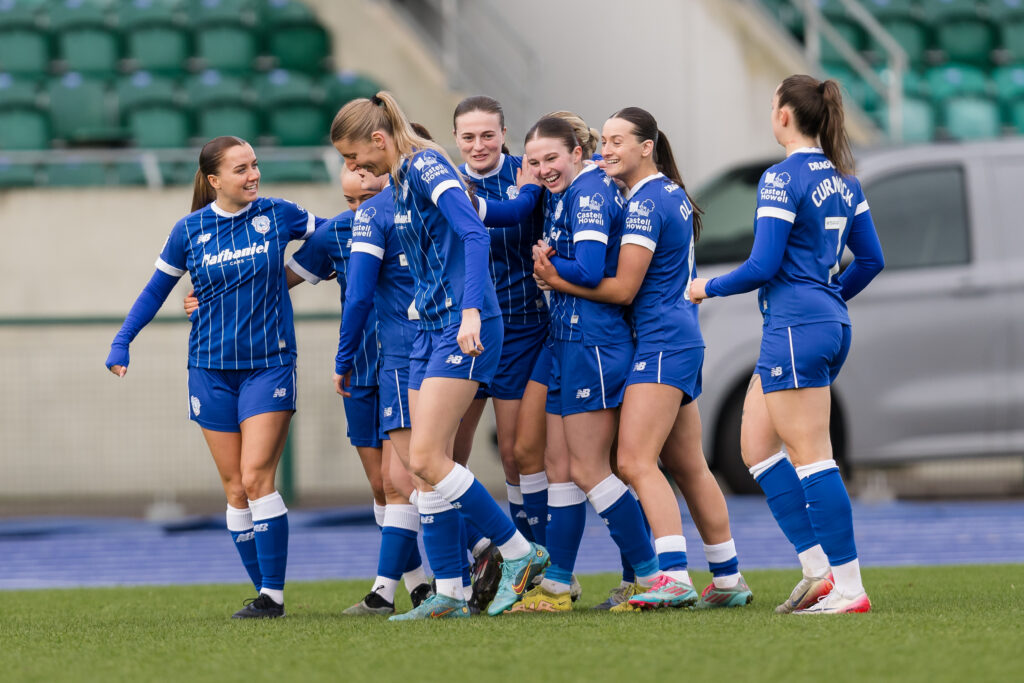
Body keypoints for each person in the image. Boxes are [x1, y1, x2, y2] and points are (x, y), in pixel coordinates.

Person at [329, 91, 549, 619]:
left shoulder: (427, 164)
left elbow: (475, 232)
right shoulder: (402, 182)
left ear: (379, 141)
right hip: (428, 329)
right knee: (423, 472)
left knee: (426, 458)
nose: (355, 169)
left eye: (357, 158)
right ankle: (449, 591)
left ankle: (519, 553)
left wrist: (471, 312)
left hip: (461, 326)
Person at [183, 166, 434, 615]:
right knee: (382, 487)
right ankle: (420, 585)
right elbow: (271, 282)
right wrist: (209, 298)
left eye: (367, 197)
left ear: (389, 187)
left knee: (411, 479)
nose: (358, 209)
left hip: (410, 362)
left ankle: (395, 588)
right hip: (359, 370)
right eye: (349, 200)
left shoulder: (421, 224)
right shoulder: (337, 231)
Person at [533, 107, 753, 610]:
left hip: (658, 343)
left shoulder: (645, 204)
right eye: (603, 141)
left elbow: (622, 289)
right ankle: (727, 577)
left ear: (646, 147)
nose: (605, 149)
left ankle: (671, 577)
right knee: (688, 465)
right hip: (679, 338)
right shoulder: (668, 193)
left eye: (616, 141)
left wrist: (552, 277)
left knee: (634, 461)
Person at [689, 76, 885, 614]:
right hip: (818, 323)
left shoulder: (781, 177)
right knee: (755, 447)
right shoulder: (846, 179)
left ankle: (849, 588)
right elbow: (871, 261)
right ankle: (819, 572)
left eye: (773, 101)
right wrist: (829, 298)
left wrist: (704, 287)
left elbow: (762, 265)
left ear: (784, 116)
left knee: (813, 458)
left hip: (797, 328)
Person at [106, 136, 315, 619]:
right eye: (241, 169)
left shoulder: (279, 213)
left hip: (269, 364)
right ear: (214, 179)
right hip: (208, 370)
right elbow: (155, 290)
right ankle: (264, 592)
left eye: (255, 165)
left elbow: (340, 235)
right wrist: (122, 341)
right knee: (235, 488)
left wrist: (302, 272)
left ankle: (273, 597)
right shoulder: (189, 230)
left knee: (257, 476)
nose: (253, 175)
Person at [504, 115, 662, 614]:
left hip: (592, 341)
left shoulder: (590, 192)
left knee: (591, 469)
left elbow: (592, 269)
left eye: (553, 158)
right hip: (566, 340)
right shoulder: (570, 191)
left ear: (577, 152)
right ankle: (557, 584)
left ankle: (652, 577)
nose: (545, 169)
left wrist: (549, 269)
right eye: (535, 162)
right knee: (559, 467)